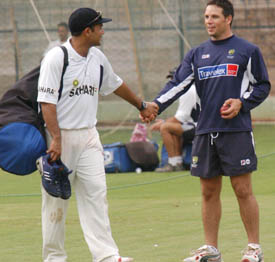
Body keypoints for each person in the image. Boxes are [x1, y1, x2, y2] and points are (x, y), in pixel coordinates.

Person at [141, 0, 270, 261]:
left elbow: (262, 86)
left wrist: (241, 103)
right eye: (206, 17)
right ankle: (211, 249)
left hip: (236, 132)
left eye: (214, 16)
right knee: (208, 191)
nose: (209, 21)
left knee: (242, 189)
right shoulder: (197, 54)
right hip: (204, 131)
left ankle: (254, 248)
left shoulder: (247, 50)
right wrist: (156, 104)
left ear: (228, 19)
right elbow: (178, 84)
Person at [37, 8, 157, 262]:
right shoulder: (56, 58)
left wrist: (141, 105)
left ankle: (106, 256)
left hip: (89, 135)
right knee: (56, 201)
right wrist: (56, 139)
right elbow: (46, 103)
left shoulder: (97, 57)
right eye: (99, 26)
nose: (103, 30)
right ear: (87, 31)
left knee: (96, 193)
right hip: (62, 137)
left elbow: (114, 84)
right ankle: (54, 258)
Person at [151, 69, 199, 172]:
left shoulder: (189, 90)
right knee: (171, 128)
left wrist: (163, 123)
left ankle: (172, 164)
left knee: (165, 128)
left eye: (174, 78)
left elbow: (180, 118)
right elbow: (180, 118)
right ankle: (177, 163)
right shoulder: (188, 90)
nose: (171, 82)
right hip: (192, 125)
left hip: (199, 126)